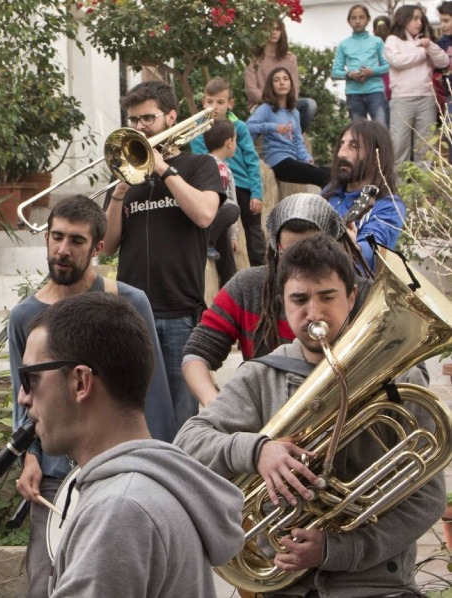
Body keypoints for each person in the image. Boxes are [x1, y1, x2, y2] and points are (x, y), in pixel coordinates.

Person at [0, 293, 246, 597]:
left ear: (81, 382)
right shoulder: (134, 490)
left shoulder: (121, 510)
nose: (21, 398)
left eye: (30, 379)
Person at [175, 234, 445, 597]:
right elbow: (188, 443)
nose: (314, 313)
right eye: (299, 300)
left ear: (351, 298)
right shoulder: (261, 377)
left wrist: (342, 550)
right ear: (283, 305)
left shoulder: (399, 379)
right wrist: (257, 452)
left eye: (327, 297)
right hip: (286, 585)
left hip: (375, 583)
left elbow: (428, 499)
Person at [9, 195, 176, 597]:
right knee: (43, 579)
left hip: (118, 467)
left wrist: (157, 462)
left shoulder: (128, 302)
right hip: (53, 474)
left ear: (98, 247)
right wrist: (29, 456)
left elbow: (150, 391)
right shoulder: (24, 316)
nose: (63, 250)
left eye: (77, 241)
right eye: (56, 237)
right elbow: (25, 396)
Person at [103, 80, 224, 430]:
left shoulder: (199, 165)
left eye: (147, 119)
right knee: (131, 413)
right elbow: (108, 246)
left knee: (180, 419)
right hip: (130, 313)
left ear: (171, 117)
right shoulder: (126, 173)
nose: (139, 127)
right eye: (133, 120)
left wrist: (162, 169)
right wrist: (117, 195)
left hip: (179, 313)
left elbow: (204, 214)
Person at [183, 193, 363, 407]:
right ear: (276, 247)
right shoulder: (247, 286)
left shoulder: (359, 292)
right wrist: (218, 406)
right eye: (290, 253)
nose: (301, 264)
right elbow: (195, 355)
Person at [190, 76, 267, 267]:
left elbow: (251, 159)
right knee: (223, 236)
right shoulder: (198, 127)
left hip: (244, 187)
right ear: (203, 102)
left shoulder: (239, 127)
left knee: (255, 234)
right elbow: (202, 159)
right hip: (217, 186)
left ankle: (263, 274)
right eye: (210, 101)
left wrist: (256, 192)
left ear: (230, 104)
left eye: (220, 102)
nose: (214, 107)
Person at [322, 120, 405, 269]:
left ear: (375, 157)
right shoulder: (330, 192)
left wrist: (354, 247)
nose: (341, 153)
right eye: (342, 144)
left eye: (353, 146)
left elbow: (371, 249)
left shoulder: (389, 206)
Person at [385, 4, 450, 168]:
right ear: (403, 19)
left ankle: (423, 192)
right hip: (402, 100)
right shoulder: (393, 40)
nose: (419, 22)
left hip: (427, 99)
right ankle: (398, 190)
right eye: (415, 18)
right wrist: (423, 52)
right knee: (399, 147)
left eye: (420, 18)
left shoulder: (425, 41)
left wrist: (429, 47)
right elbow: (398, 61)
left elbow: (444, 61)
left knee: (425, 148)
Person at [247, 67, 332, 188]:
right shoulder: (266, 108)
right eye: (276, 80)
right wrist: (272, 127)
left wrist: (307, 158)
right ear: (271, 86)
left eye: (285, 79)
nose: (282, 82)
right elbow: (248, 127)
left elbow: (298, 141)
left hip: (292, 160)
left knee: (332, 173)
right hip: (277, 162)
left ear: (291, 84)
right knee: (324, 177)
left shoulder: (294, 113)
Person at [245, 20, 318, 132]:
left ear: (282, 32)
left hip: (286, 104)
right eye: (269, 29)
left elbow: (295, 87)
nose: (273, 32)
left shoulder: (290, 58)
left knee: (310, 105)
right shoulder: (254, 58)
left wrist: (285, 103)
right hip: (263, 105)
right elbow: (251, 89)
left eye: (277, 29)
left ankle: (293, 137)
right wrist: (272, 101)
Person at [332, 4, 391, 126]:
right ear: (349, 21)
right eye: (353, 18)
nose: (357, 21)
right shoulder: (344, 45)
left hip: (376, 92)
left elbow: (388, 66)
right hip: (354, 94)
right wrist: (349, 74)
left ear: (368, 19)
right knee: (359, 134)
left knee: (382, 130)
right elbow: (335, 71)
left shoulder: (377, 42)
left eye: (361, 17)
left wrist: (372, 72)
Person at [200, 120, 242, 286]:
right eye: (235, 140)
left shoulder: (221, 166)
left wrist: (233, 235)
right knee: (233, 210)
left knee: (228, 260)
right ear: (229, 142)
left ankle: (229, 291)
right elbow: (230, 202)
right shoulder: (211, 165)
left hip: (218, 222)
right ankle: (207, 241)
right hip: (210, 218)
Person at [436, 2, 452, 162]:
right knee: (449, 134)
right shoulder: (442, 43)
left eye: (446, 20)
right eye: (441, 21)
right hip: (449, 96)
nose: (443, 25)